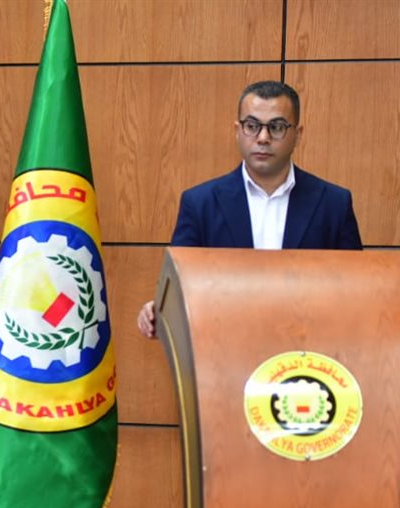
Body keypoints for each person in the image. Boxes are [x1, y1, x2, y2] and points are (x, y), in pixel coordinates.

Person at [137, 80, 366, 339]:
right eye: (252, 126)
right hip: (225, 350)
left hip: (307, 353)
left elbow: (355, 291)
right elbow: (179, 286)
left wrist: (379, 317)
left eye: (276, 127)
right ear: (238, 130)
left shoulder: (333, 204)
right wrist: (157, 311)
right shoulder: (200, 203)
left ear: (298, 134)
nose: (263, 138)